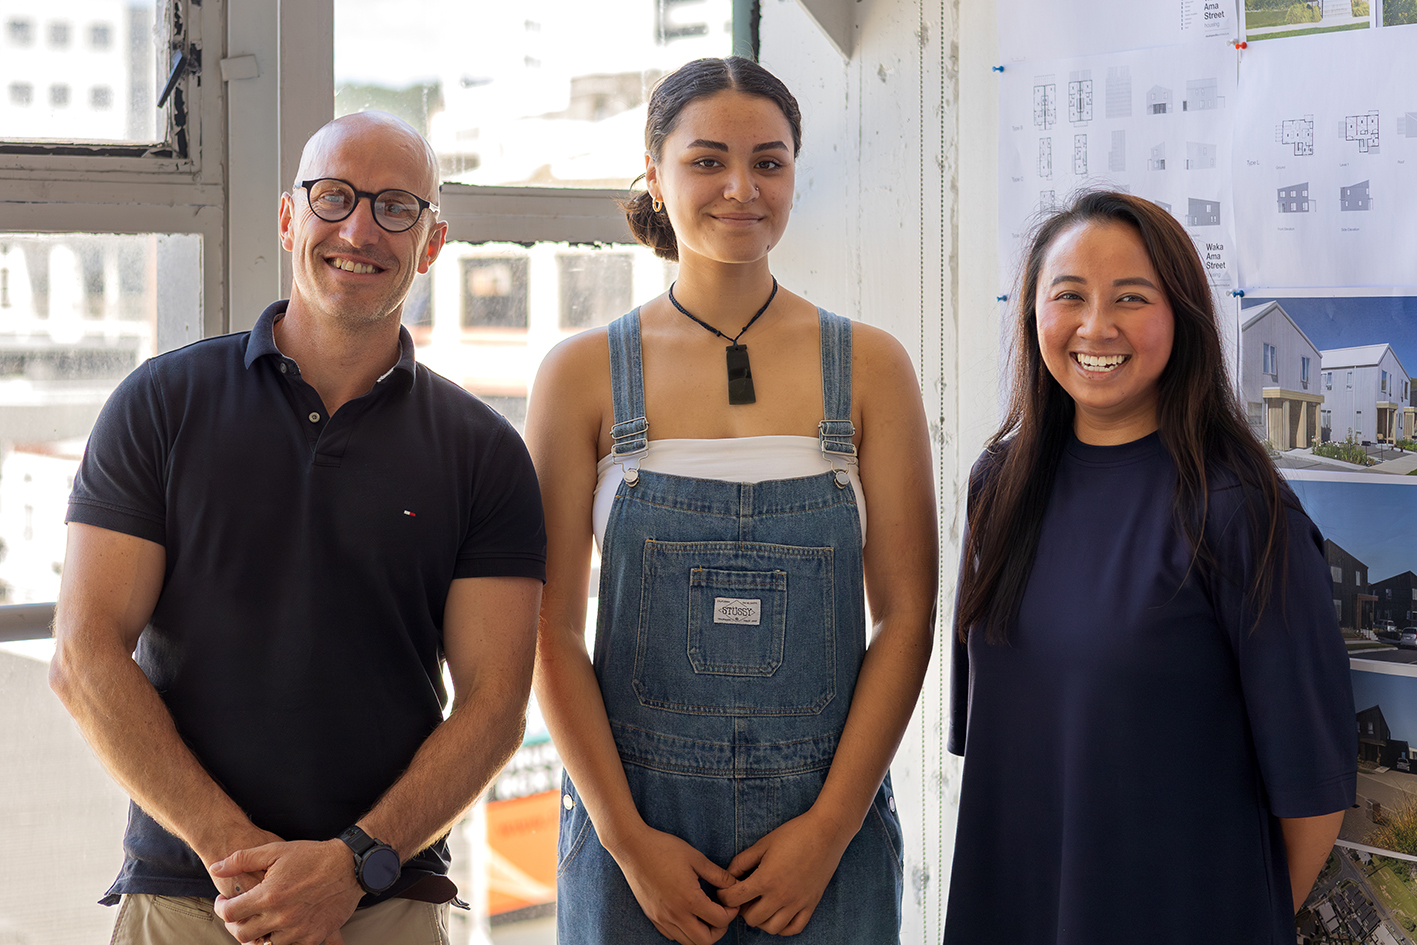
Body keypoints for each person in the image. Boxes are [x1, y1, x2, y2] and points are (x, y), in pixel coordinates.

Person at [49, 111, 546, 945]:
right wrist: (242, 858)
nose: (360, 228)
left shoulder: (483, 451)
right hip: (187, 895)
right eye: (335, 197)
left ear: (431, 242)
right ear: (289, 218)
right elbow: (83, 655)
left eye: (396, 207)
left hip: (387, 897)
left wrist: (351, 863)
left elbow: (495, 706)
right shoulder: (163, 403)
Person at [527, 57, 937, 944]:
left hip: (825, 830)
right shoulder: (579, 373)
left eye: (770, 161)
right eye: (707, 160)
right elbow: (546, 629)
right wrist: (628, 843)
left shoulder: (871, 366)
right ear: (655, 174)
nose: (741, 188)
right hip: (633, 827)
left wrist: (829, 831)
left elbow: (906, 617)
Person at [944, 190, 1356, 944]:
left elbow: (1313, 795)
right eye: (1067, 295)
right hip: (1016, 904)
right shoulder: (996, 485)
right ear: (1032, 310)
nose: (1095, 326)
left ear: (1182, 317)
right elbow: (1005, 747)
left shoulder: (1240, 508)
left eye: (1130, 298)